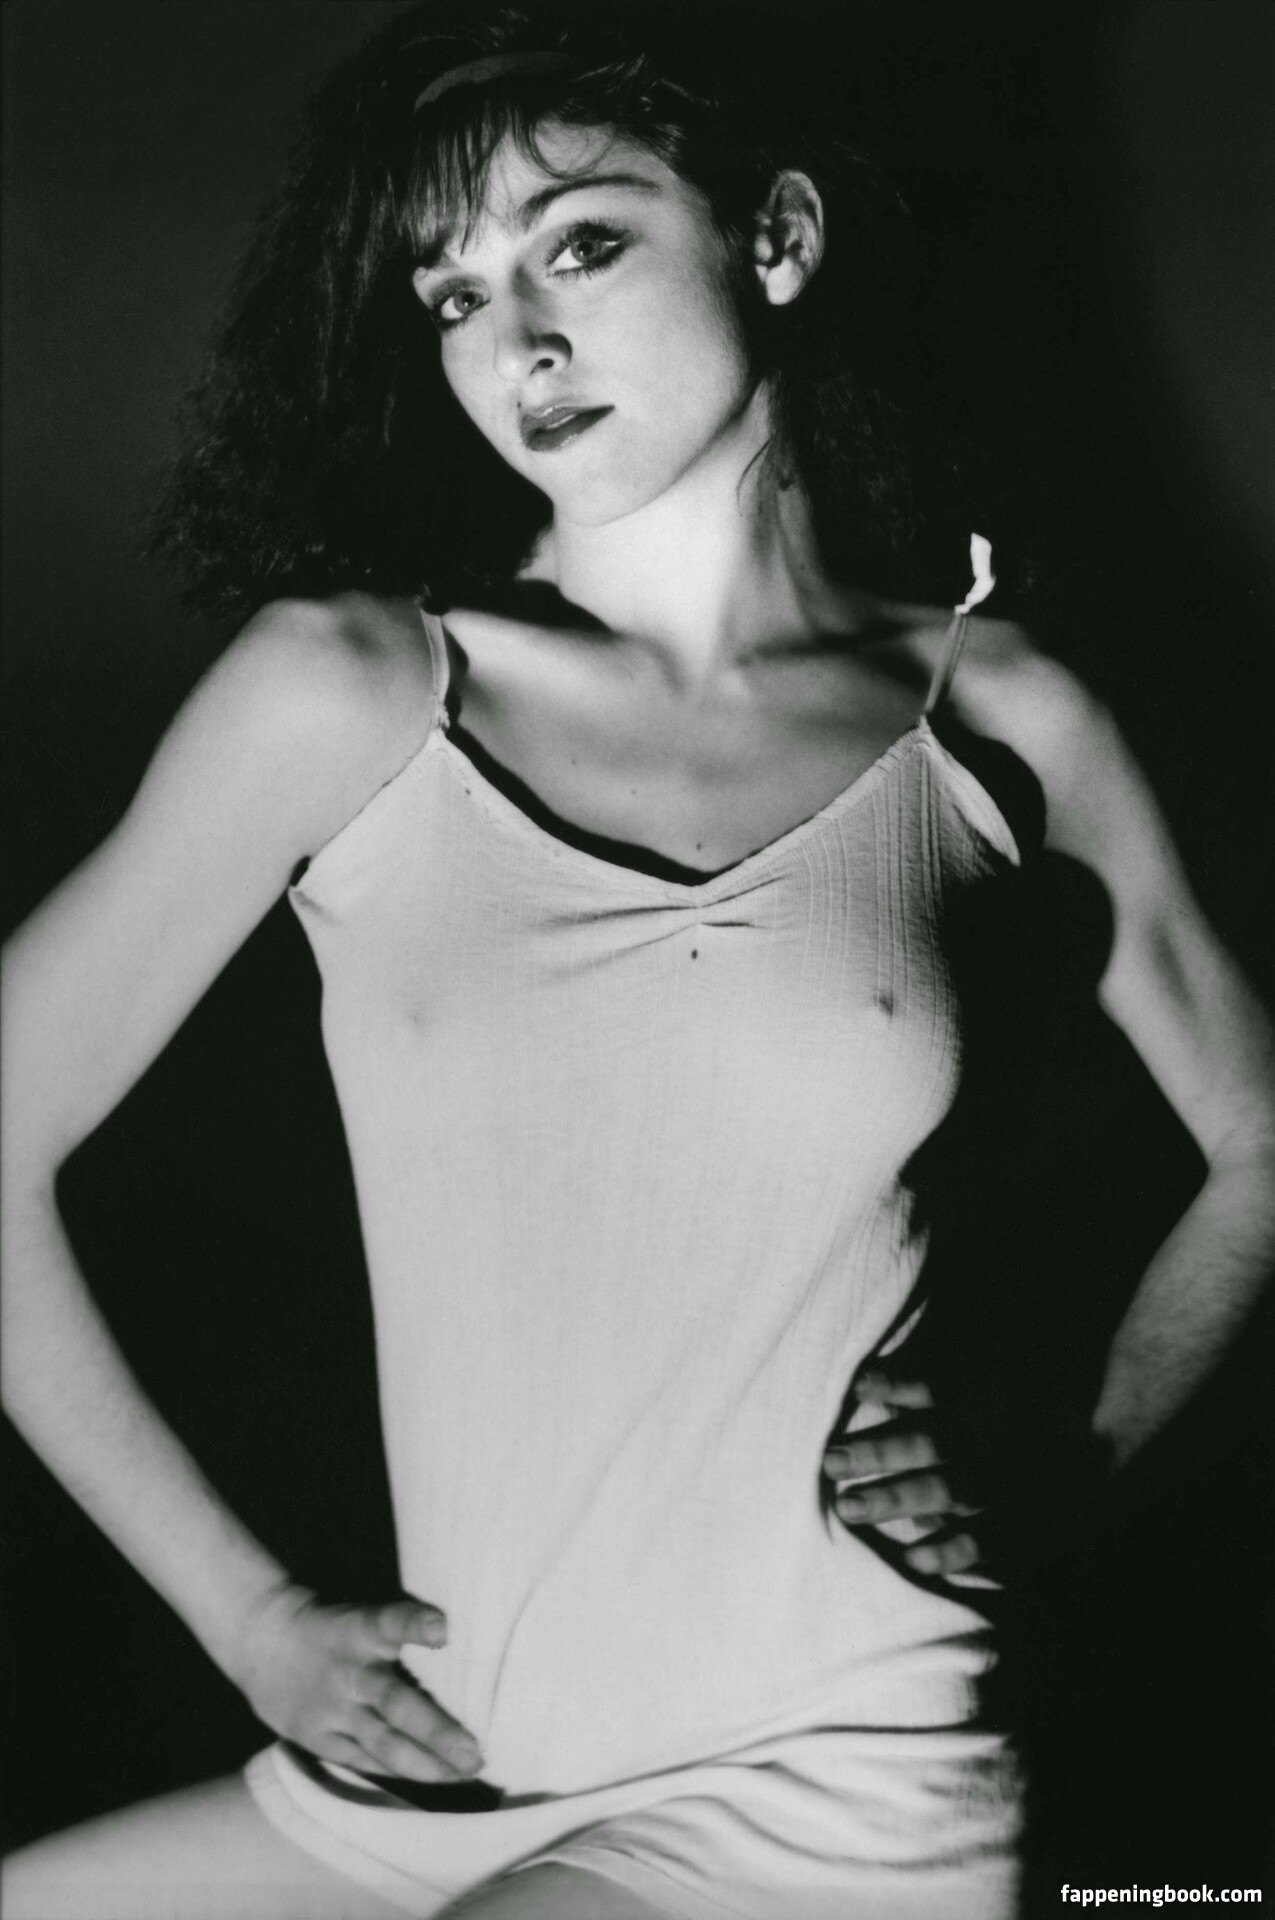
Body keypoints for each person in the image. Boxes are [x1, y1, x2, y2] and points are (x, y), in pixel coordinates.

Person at [3, 5, 1273, 1915]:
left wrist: (1075, 1439)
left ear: (776, 240)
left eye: (580, 245)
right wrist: (248, 1614)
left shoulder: (995, 713)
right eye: (453, 295)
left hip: (832, 1779)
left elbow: (1262, 1144)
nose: (514, 341)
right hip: (436, 1768)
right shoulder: (350, 692)